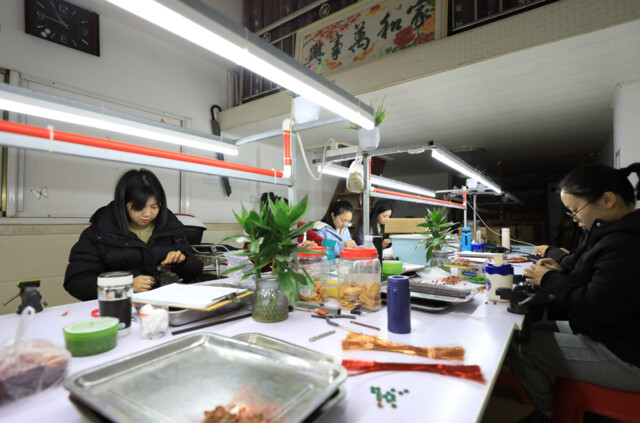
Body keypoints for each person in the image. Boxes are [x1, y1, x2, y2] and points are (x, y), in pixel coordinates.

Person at [511, 163, 640, 423]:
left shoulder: (626, 242)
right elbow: (596, 276)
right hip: (612, 333)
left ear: (607, 200)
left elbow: (594, 307)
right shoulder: (613, 232)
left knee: (520, 346)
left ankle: (550, 414)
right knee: (525, 331)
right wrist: (561, 268)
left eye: (575, 210)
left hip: (626, 355)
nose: (574, 219)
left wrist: (549, 279)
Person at [64, 169, 203, 301]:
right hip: (118, 309)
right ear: (123, 204)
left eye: (154, 207)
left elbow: (194, 271)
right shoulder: (101, 232)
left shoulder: (171, 226)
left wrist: (182, 262)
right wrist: (125, 287)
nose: (148, 214)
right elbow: (76, 281)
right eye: (138, 207)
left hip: (162, 307)